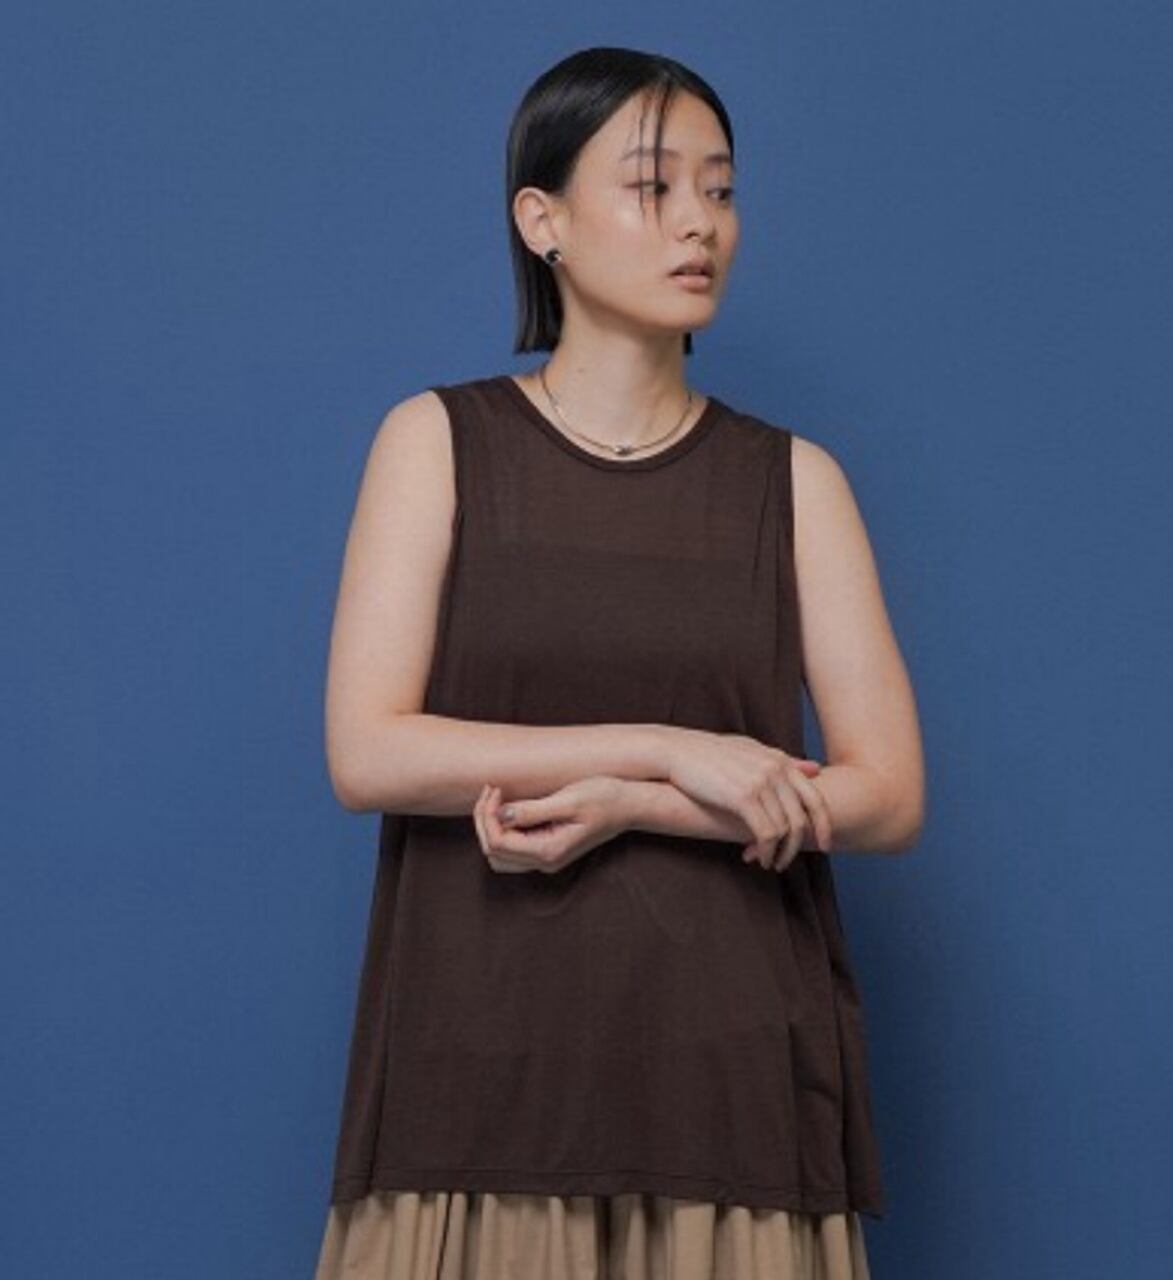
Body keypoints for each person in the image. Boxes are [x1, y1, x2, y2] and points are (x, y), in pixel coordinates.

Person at [313, 45, 925, 1280]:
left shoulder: (795, 483)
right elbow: (367, 751)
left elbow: (888, 794)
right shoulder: (435, 443)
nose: (700, 221)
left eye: (721, 188)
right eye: (653, 186)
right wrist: (669, 746)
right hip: (478, 1071)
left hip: (730, 1083)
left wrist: (634, 803)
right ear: (541, 220)